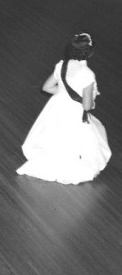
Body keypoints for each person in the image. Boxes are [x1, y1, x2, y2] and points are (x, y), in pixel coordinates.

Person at [16, 32, 111, 184]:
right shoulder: (87, 74)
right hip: (73, 112)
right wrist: (89, 101)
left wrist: (63, 95)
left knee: (55, 134)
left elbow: (46, 87)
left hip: (57, 106)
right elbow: (86, 106)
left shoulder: (62, 65)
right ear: (89, 52)